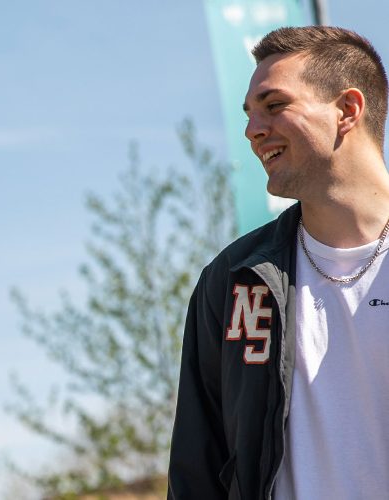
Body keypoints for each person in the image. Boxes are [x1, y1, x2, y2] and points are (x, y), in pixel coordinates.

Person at [168, 26, 389, 500]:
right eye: (248, 114)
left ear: (346, 111)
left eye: (274, 106)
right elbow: (196, 470)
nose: (252, 130)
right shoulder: (230, 282)